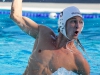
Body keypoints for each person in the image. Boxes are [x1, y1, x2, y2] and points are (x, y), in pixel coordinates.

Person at [10, 0, 90, 75]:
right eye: (73, 21)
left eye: (81, 22)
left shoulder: (78, 61)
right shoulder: (43, 34)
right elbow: (15, 16)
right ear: (62, 23)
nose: (77, 26)